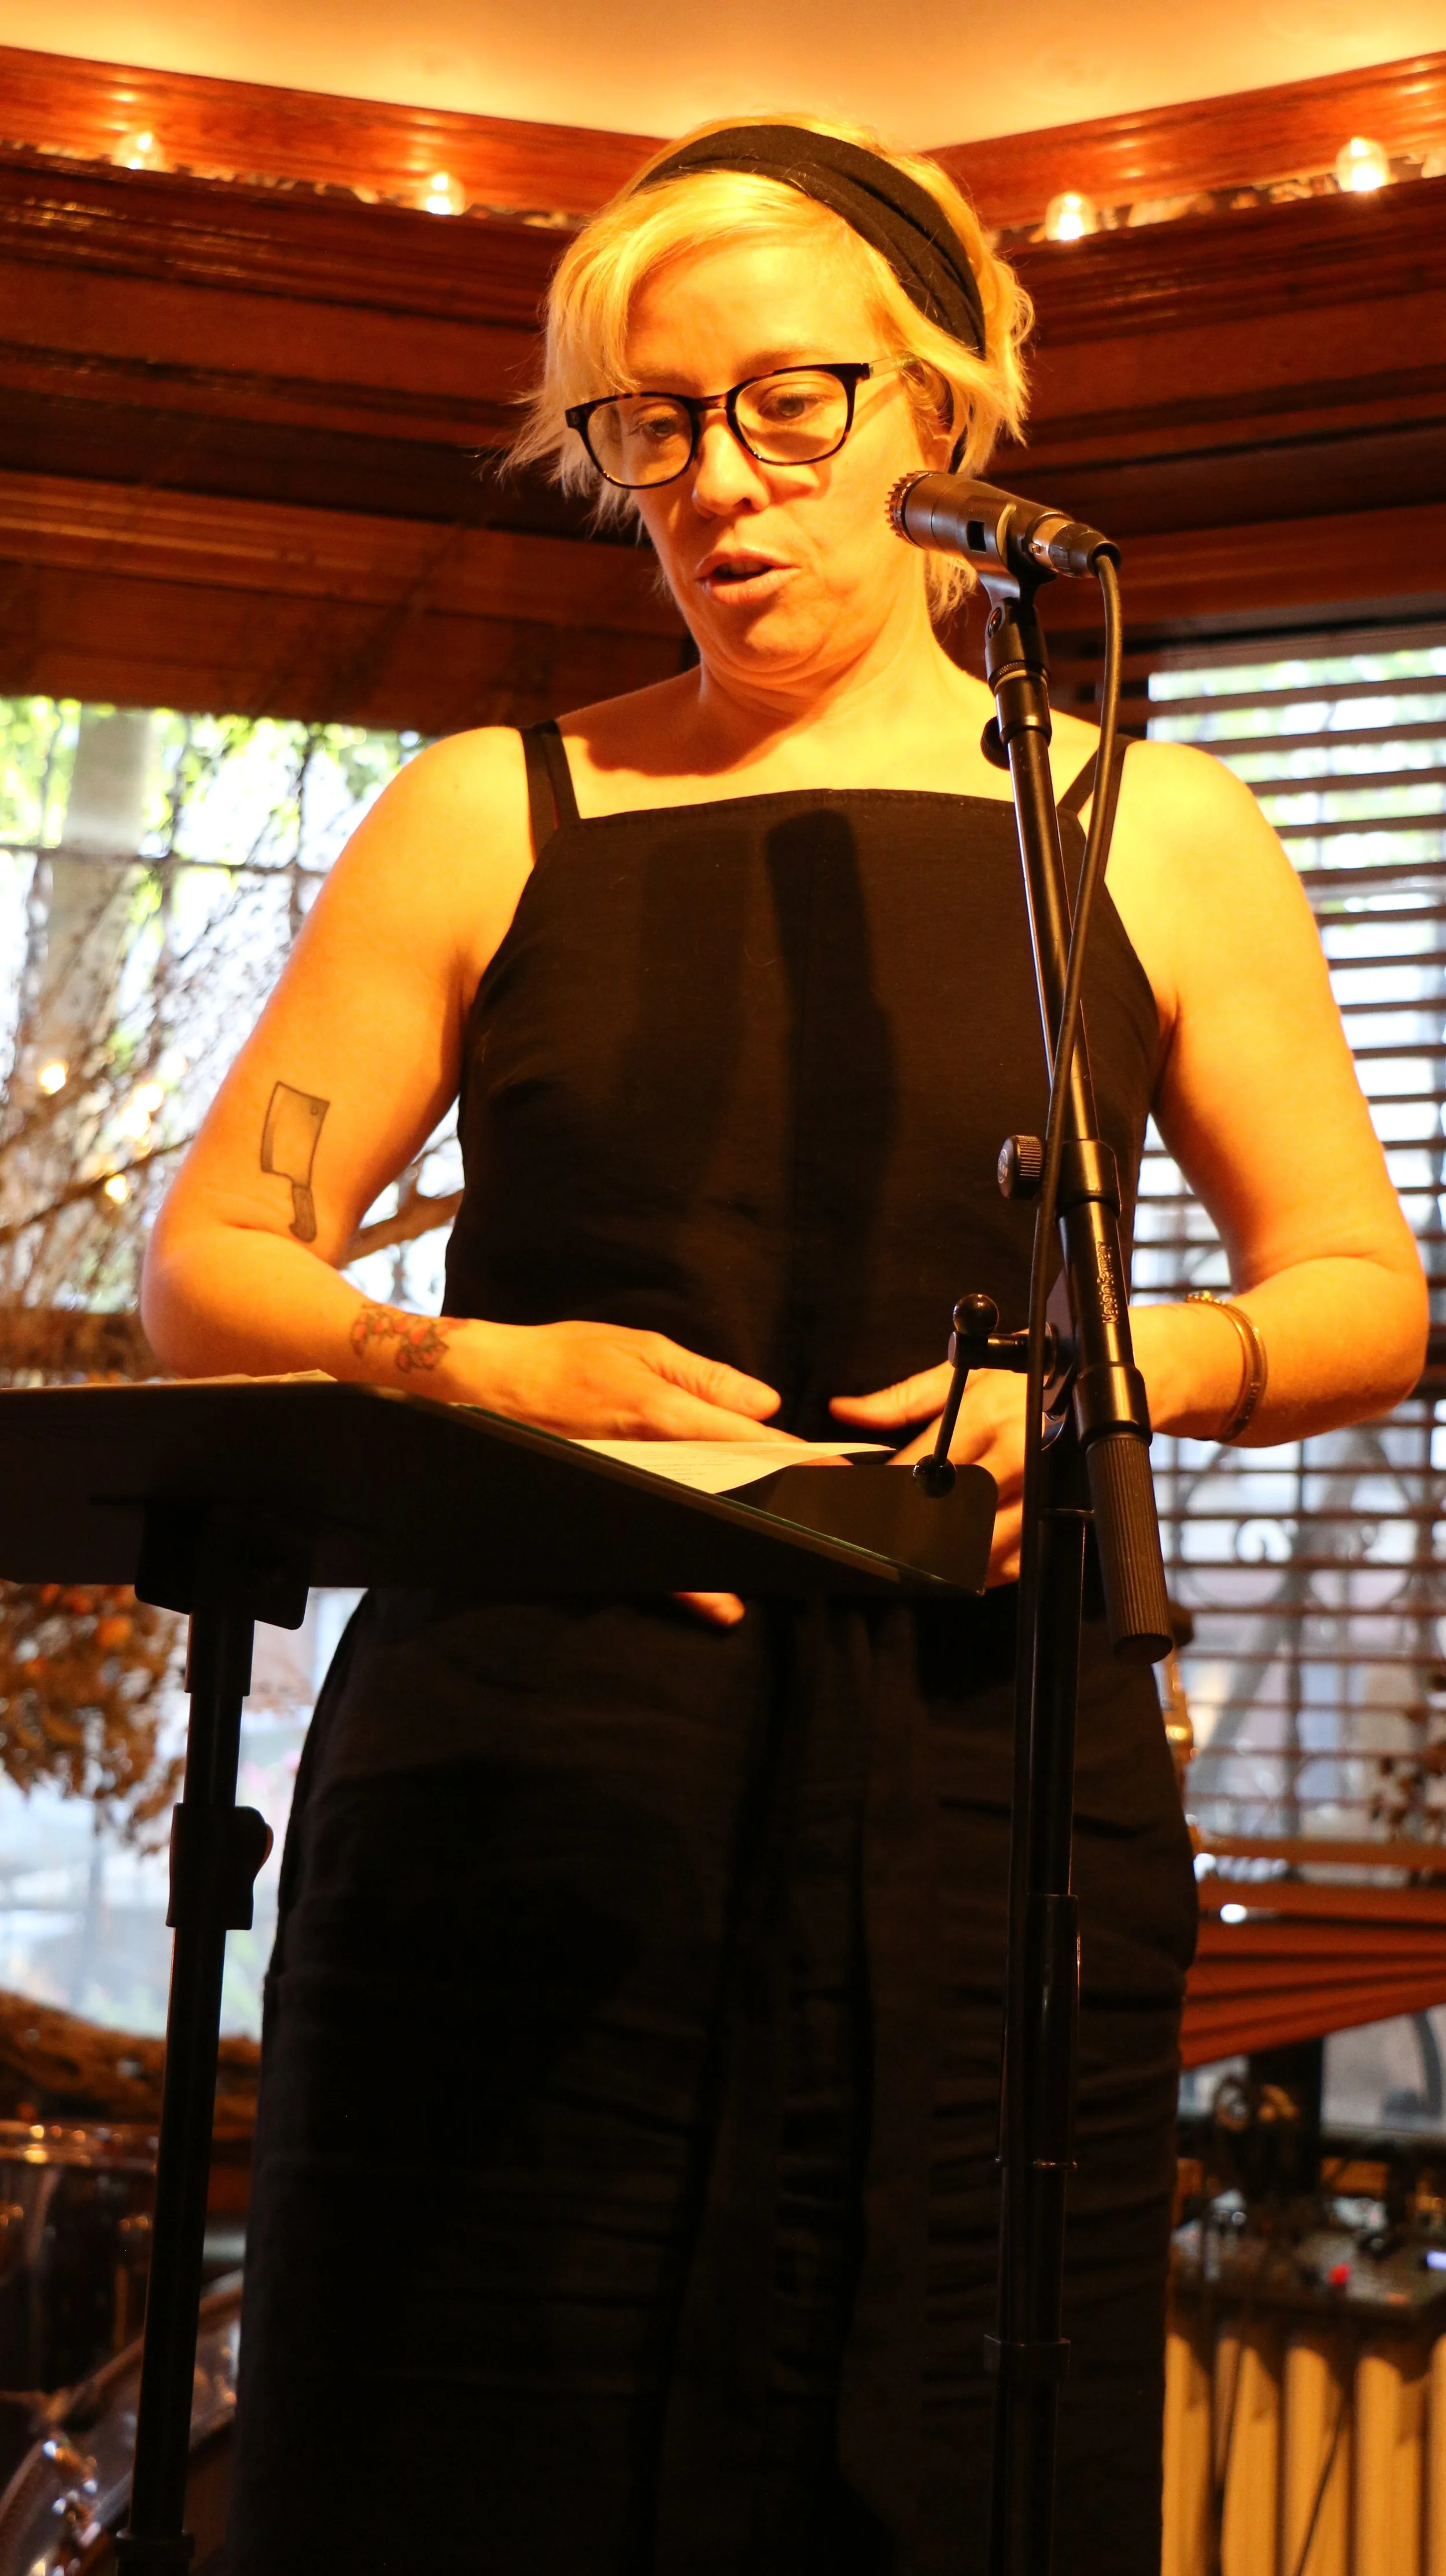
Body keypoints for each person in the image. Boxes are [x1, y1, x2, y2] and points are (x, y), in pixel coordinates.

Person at [142, 115, 1425, 2576]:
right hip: (515, 1798)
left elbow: (1361, 1288)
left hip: (981, 1795)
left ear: (936, 413)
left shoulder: (1155, 829)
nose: (716, 484)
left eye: (786, 406)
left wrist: (1115, 1376)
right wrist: (474, 1371)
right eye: (652, 424)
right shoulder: (484, 807)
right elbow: (220, 1263)